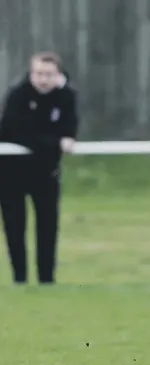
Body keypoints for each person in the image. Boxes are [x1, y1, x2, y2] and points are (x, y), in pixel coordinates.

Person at [0, 51, 78, 285]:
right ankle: (20, 280)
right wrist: (55, 143)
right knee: (14, 228)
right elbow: (15, 131)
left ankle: (46, 281)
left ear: (58, 75)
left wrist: (63, 140)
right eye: (38, 74)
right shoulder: (18, 94)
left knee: (48, 228)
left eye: (49, 74)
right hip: (10, 173)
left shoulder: (66, 96)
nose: (43, 79)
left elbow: (70, 126)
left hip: (45, 173)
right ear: (31, 73)